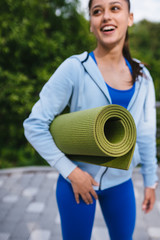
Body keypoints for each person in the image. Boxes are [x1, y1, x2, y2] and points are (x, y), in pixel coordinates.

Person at [23, 0, 158, 239]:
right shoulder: (75, 68)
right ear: (91, 25)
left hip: (122, 183)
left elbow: (146, 133)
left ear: (130, 18)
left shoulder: (143, 77)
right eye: (97, 11)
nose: (106, 16)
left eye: (115, 8)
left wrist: (150, 181)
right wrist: (72, 172)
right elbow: (34, 125)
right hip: (77, 183)